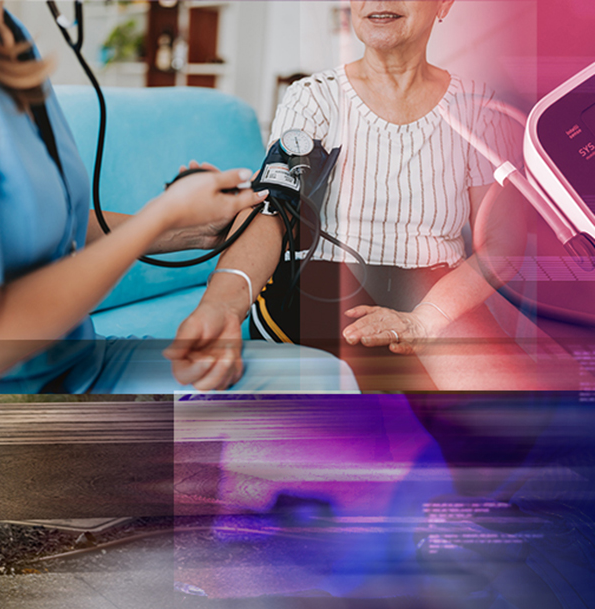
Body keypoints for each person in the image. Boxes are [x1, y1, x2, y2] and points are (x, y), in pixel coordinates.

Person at [0, 1, 356, 394]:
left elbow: (56, 232)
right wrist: (161, 215)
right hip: (1, 397)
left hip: (83, 365)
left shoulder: (13, 41)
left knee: (323, 378)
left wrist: (192, 230)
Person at [176, 0, 581, 391]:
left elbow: (501, 242)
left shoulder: (478, 107)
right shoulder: (313, 98)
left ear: (444, 3)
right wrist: (223, 306)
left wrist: (425, 320)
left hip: (435, 286)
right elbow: (273, 215)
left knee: (510, 424)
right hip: (322, 275)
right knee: (381, 424)